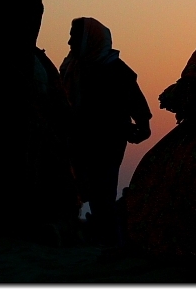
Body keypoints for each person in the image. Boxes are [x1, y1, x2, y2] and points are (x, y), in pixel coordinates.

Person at [60, 17, 152, 244]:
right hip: (80, 140)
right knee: (86, 189)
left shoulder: (115, 69)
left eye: (75, 36)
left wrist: (142, 125)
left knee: (103, 190)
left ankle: (110, 240)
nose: (70, 41)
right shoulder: (72, 67)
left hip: (108, 141)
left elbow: (136, 102)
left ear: (89, 39)